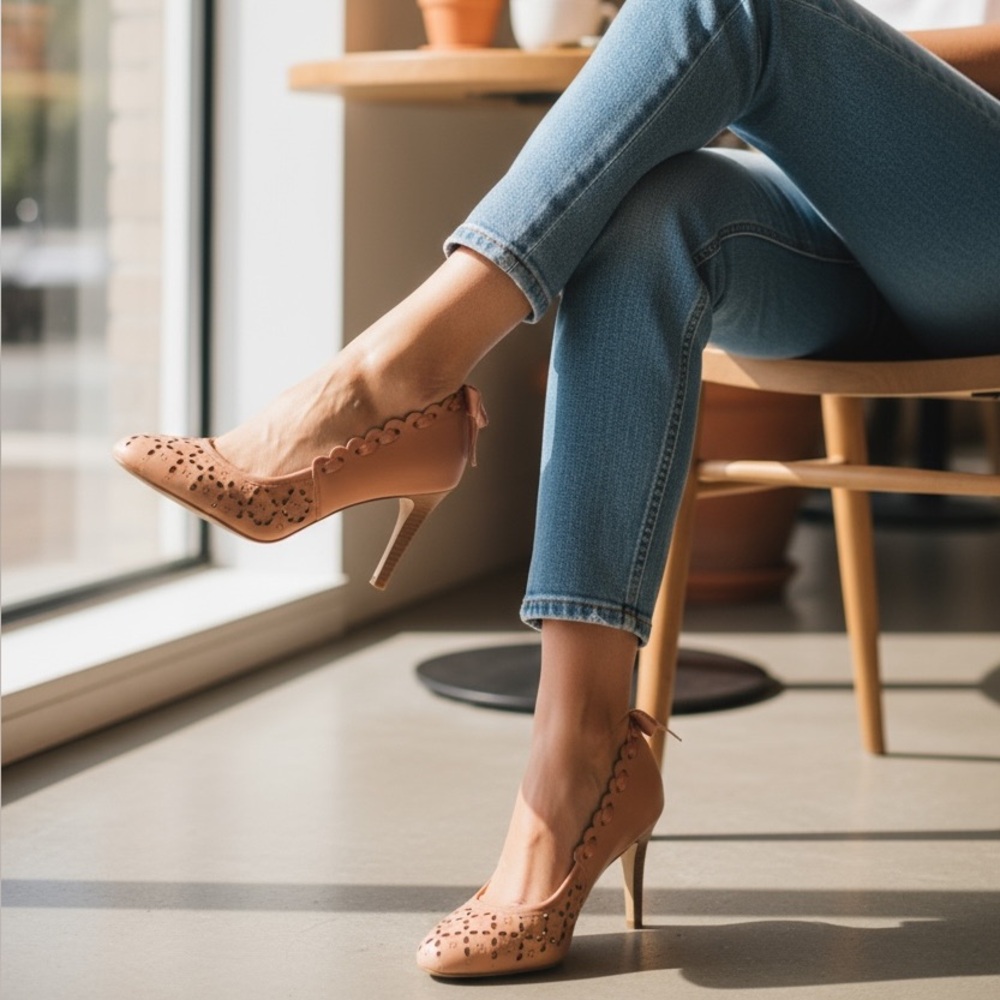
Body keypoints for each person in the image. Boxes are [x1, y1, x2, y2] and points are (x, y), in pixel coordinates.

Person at [114, 0, 1000, 979]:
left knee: (734, 6)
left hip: (967, 228)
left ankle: (386, 382)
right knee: (647, 216)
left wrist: (804, 69)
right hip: (835, 220)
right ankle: (578, 756)